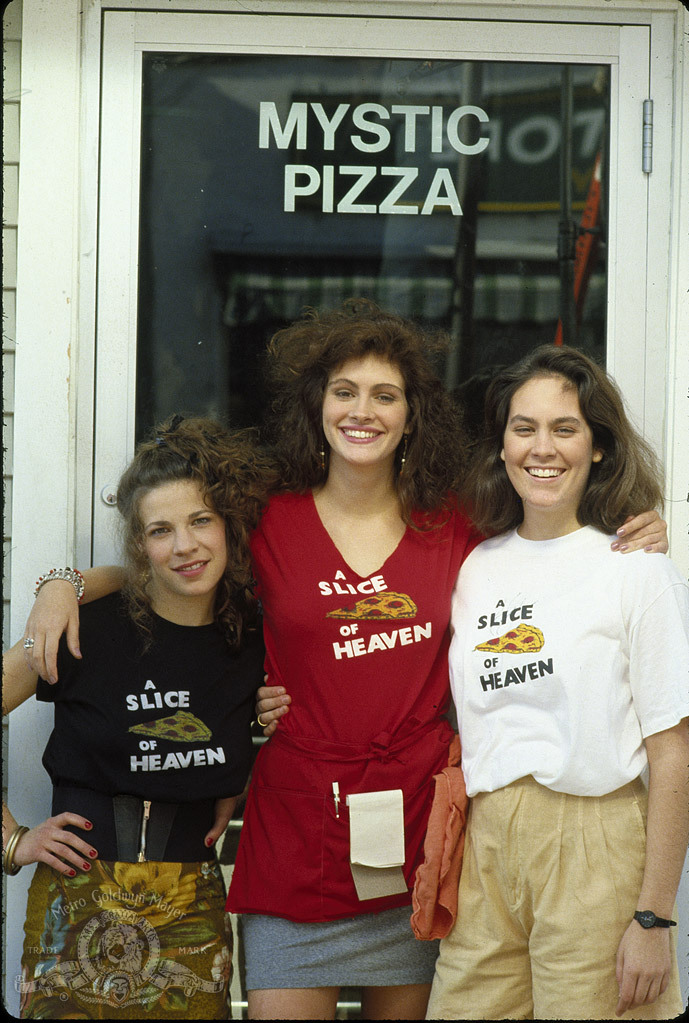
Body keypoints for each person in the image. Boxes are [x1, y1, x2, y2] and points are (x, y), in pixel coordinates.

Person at [21, 304, 668, 1021]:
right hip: (296, 835)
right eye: (344, 391)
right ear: (316, 405)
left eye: (384, 395)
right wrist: (66, 582)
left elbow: (549, 539)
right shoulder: (265, 516)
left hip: (419, 838)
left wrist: (634, 521)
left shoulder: (457, 522)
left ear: (413, 414)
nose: (363, 410)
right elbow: (169, 561)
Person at [426, 345, 689, 1020]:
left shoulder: (635, 568)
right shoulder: (475, 564)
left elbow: (671, 752)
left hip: (594, 840)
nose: (542, 448)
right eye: (523, 428)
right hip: (484, 843)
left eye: (564, 428)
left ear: (598, 445)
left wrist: (655, 917)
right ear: (502, 443)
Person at [3, 416, 272, 1019]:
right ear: (139, 544)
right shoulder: (84, 627)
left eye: (201, 520)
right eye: (161, 530)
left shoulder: (250, 636)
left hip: (192, 910)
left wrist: (238, 776)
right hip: (77, 902)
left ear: (228, 526)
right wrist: (13, 840)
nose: (185, 545)